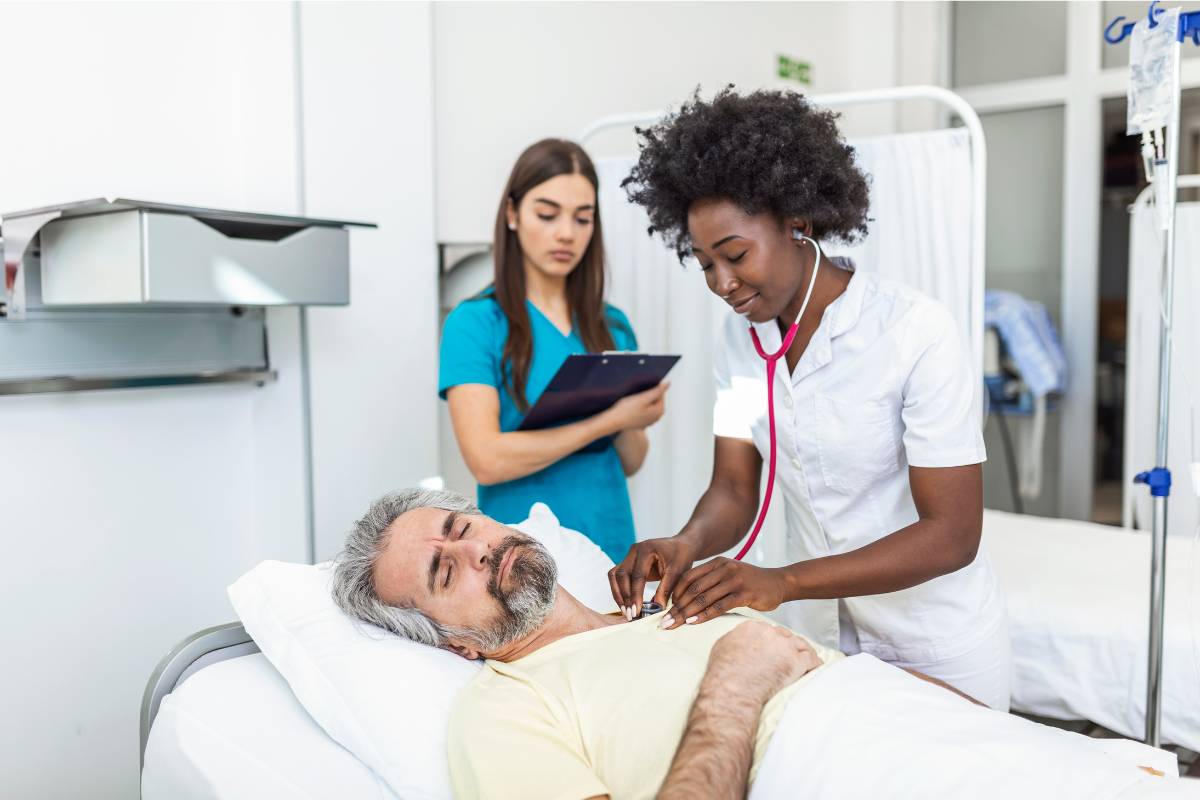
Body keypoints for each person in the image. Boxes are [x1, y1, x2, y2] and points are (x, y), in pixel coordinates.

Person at [331, 489, 1171, 800]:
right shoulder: (501, 712)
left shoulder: (673, 609)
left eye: (461, 527)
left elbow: (864, 691)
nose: (478, 551)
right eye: (447, 574)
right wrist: (735, 685)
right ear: (456, 646)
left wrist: (1027, 739)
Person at [611, 87, 1010, 709]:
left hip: (933, 639)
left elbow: (953, 534)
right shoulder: (741, 340)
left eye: (736, 255)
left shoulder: (913, 331)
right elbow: (735, 490)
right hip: (818, 638)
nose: (722, 283)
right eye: (705, 263)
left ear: (799, 224)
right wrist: (683, 545)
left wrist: (783, 582)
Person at [440, 138, 667, 563]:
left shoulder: (612, 325)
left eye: (583, 219)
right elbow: (486, 460)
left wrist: (635, 419)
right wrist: (609, 419)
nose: (566, 233)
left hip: (611, 546)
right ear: (512, 214)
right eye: (547, 214)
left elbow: (633, 460)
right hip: (521, 557)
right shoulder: (473, 324)